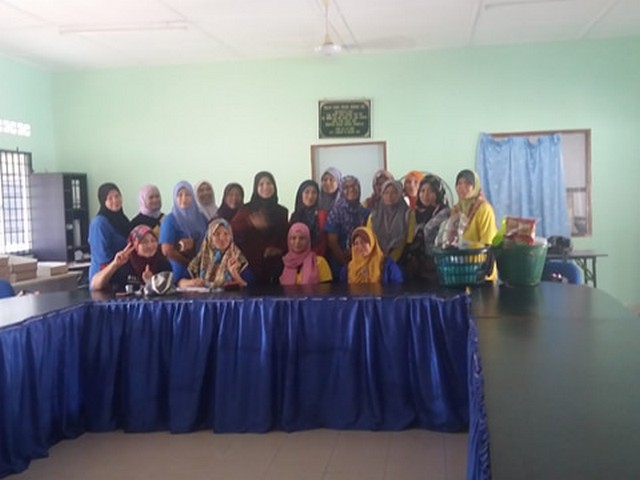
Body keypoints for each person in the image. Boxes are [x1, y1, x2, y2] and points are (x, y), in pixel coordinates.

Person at [231, 171, 288, 285]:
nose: (265, 187)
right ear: (255, 188)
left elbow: (286, 236)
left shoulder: (282, 211)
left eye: (269, 183)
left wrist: (279, 250)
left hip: (276, 266)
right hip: (251, 265)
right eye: (261, 184)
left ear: (274, 186)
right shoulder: (247, 209)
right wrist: (250, 223)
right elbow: (232, 229)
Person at [90, 225, 171, 291]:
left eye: (153, 241)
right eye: (144, 242)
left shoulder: (163, 263)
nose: (150, 245)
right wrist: (114, 265)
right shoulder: (123, 262)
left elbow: (169, 293)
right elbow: (95, 285)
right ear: (134, 245)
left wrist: (151, 282)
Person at [402, 175, 451, 283]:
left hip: (436, 264)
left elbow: (429, 230)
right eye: (422, 191)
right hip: (416, 265)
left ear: (438, 192)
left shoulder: (444, 213)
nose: (425, 195)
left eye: (431, 191)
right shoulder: (413, 213)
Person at [181, 218, 252, 289]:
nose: (222, 238)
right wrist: (192, 282)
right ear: (210, 238)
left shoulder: (237, 258)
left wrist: (234, 273)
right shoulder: (200, 259)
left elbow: (250, 287)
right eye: (217, 234)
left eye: (226, 234)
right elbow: (180, 282)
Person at [452, 169, 498, 280]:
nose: (462, 187)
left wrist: (467, 246)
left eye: (468, 183)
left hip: (481, 270)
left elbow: (488, 243)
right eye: (459, 183)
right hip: (461, 269)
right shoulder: (455, 210)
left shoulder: (484, 209)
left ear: (475, 186)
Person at [159, 181, 208, 282]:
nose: (184, 198)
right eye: (179, 195)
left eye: (188, 195)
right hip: (181, 268)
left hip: (203, 266)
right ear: (174, 198)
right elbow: (166, 250)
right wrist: (189, 263)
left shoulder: (201, 217)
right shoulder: (170, 220)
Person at [324, 175, 370, 278]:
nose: (351, 189)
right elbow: (332, 243)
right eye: (346, 187)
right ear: (341, 190)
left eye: (354, 186)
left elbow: (369, 238)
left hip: (363, 260)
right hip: (340, 262)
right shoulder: (336, 212)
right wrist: (347, 264)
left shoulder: (365, 212)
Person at [88, 182, 130, 282]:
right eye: (110, 198)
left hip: (121, 272)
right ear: (103, 201)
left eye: (117, 196)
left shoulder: (123, 219)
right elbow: (102, 255)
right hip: (104, 275)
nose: (115, 200)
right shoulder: (99, 223)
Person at [367, 179, 416, 263]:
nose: (389, 196)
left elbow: (409, 241)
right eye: (386, 193)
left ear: (399, 194)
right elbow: (369, 238)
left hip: (401, 258)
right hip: (376, 258)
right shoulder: (374, 215)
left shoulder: (408, 214)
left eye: (394, 193)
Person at [289, 179, 327, 256]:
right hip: (297, 258)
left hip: (319, 257)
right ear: (301, 195)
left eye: (314, 193)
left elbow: (325, 241)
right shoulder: (295, 216)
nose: (310, 196)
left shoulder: (323, 215)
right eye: (307, 192)